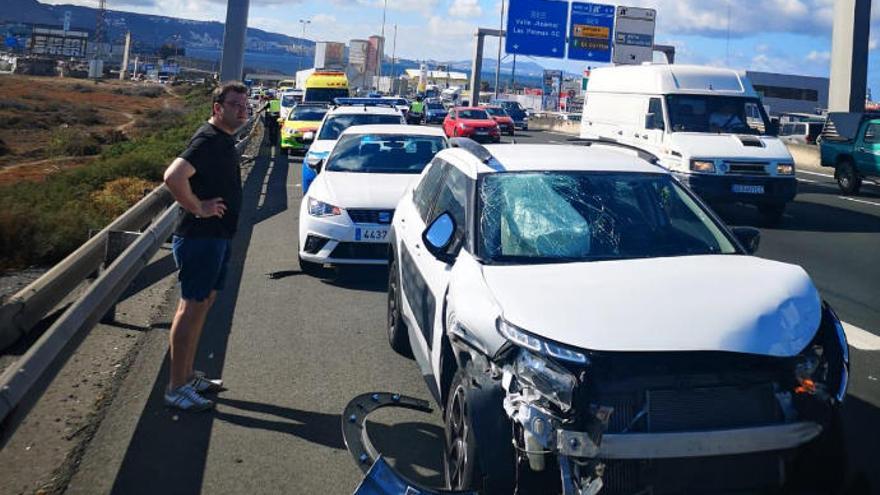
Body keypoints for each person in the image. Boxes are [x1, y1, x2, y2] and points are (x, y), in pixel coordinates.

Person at [161, 81, 249, 411]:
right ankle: (175, 387)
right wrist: (198, 207)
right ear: (217, 108)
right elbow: (173, 177)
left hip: (218, 237)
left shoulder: (223, 139)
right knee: (191, 309)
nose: (243, 110)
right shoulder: (207, 140)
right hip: (200, 239)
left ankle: (187, 375)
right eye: (235, 104)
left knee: (203, 306)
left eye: (245, 104)